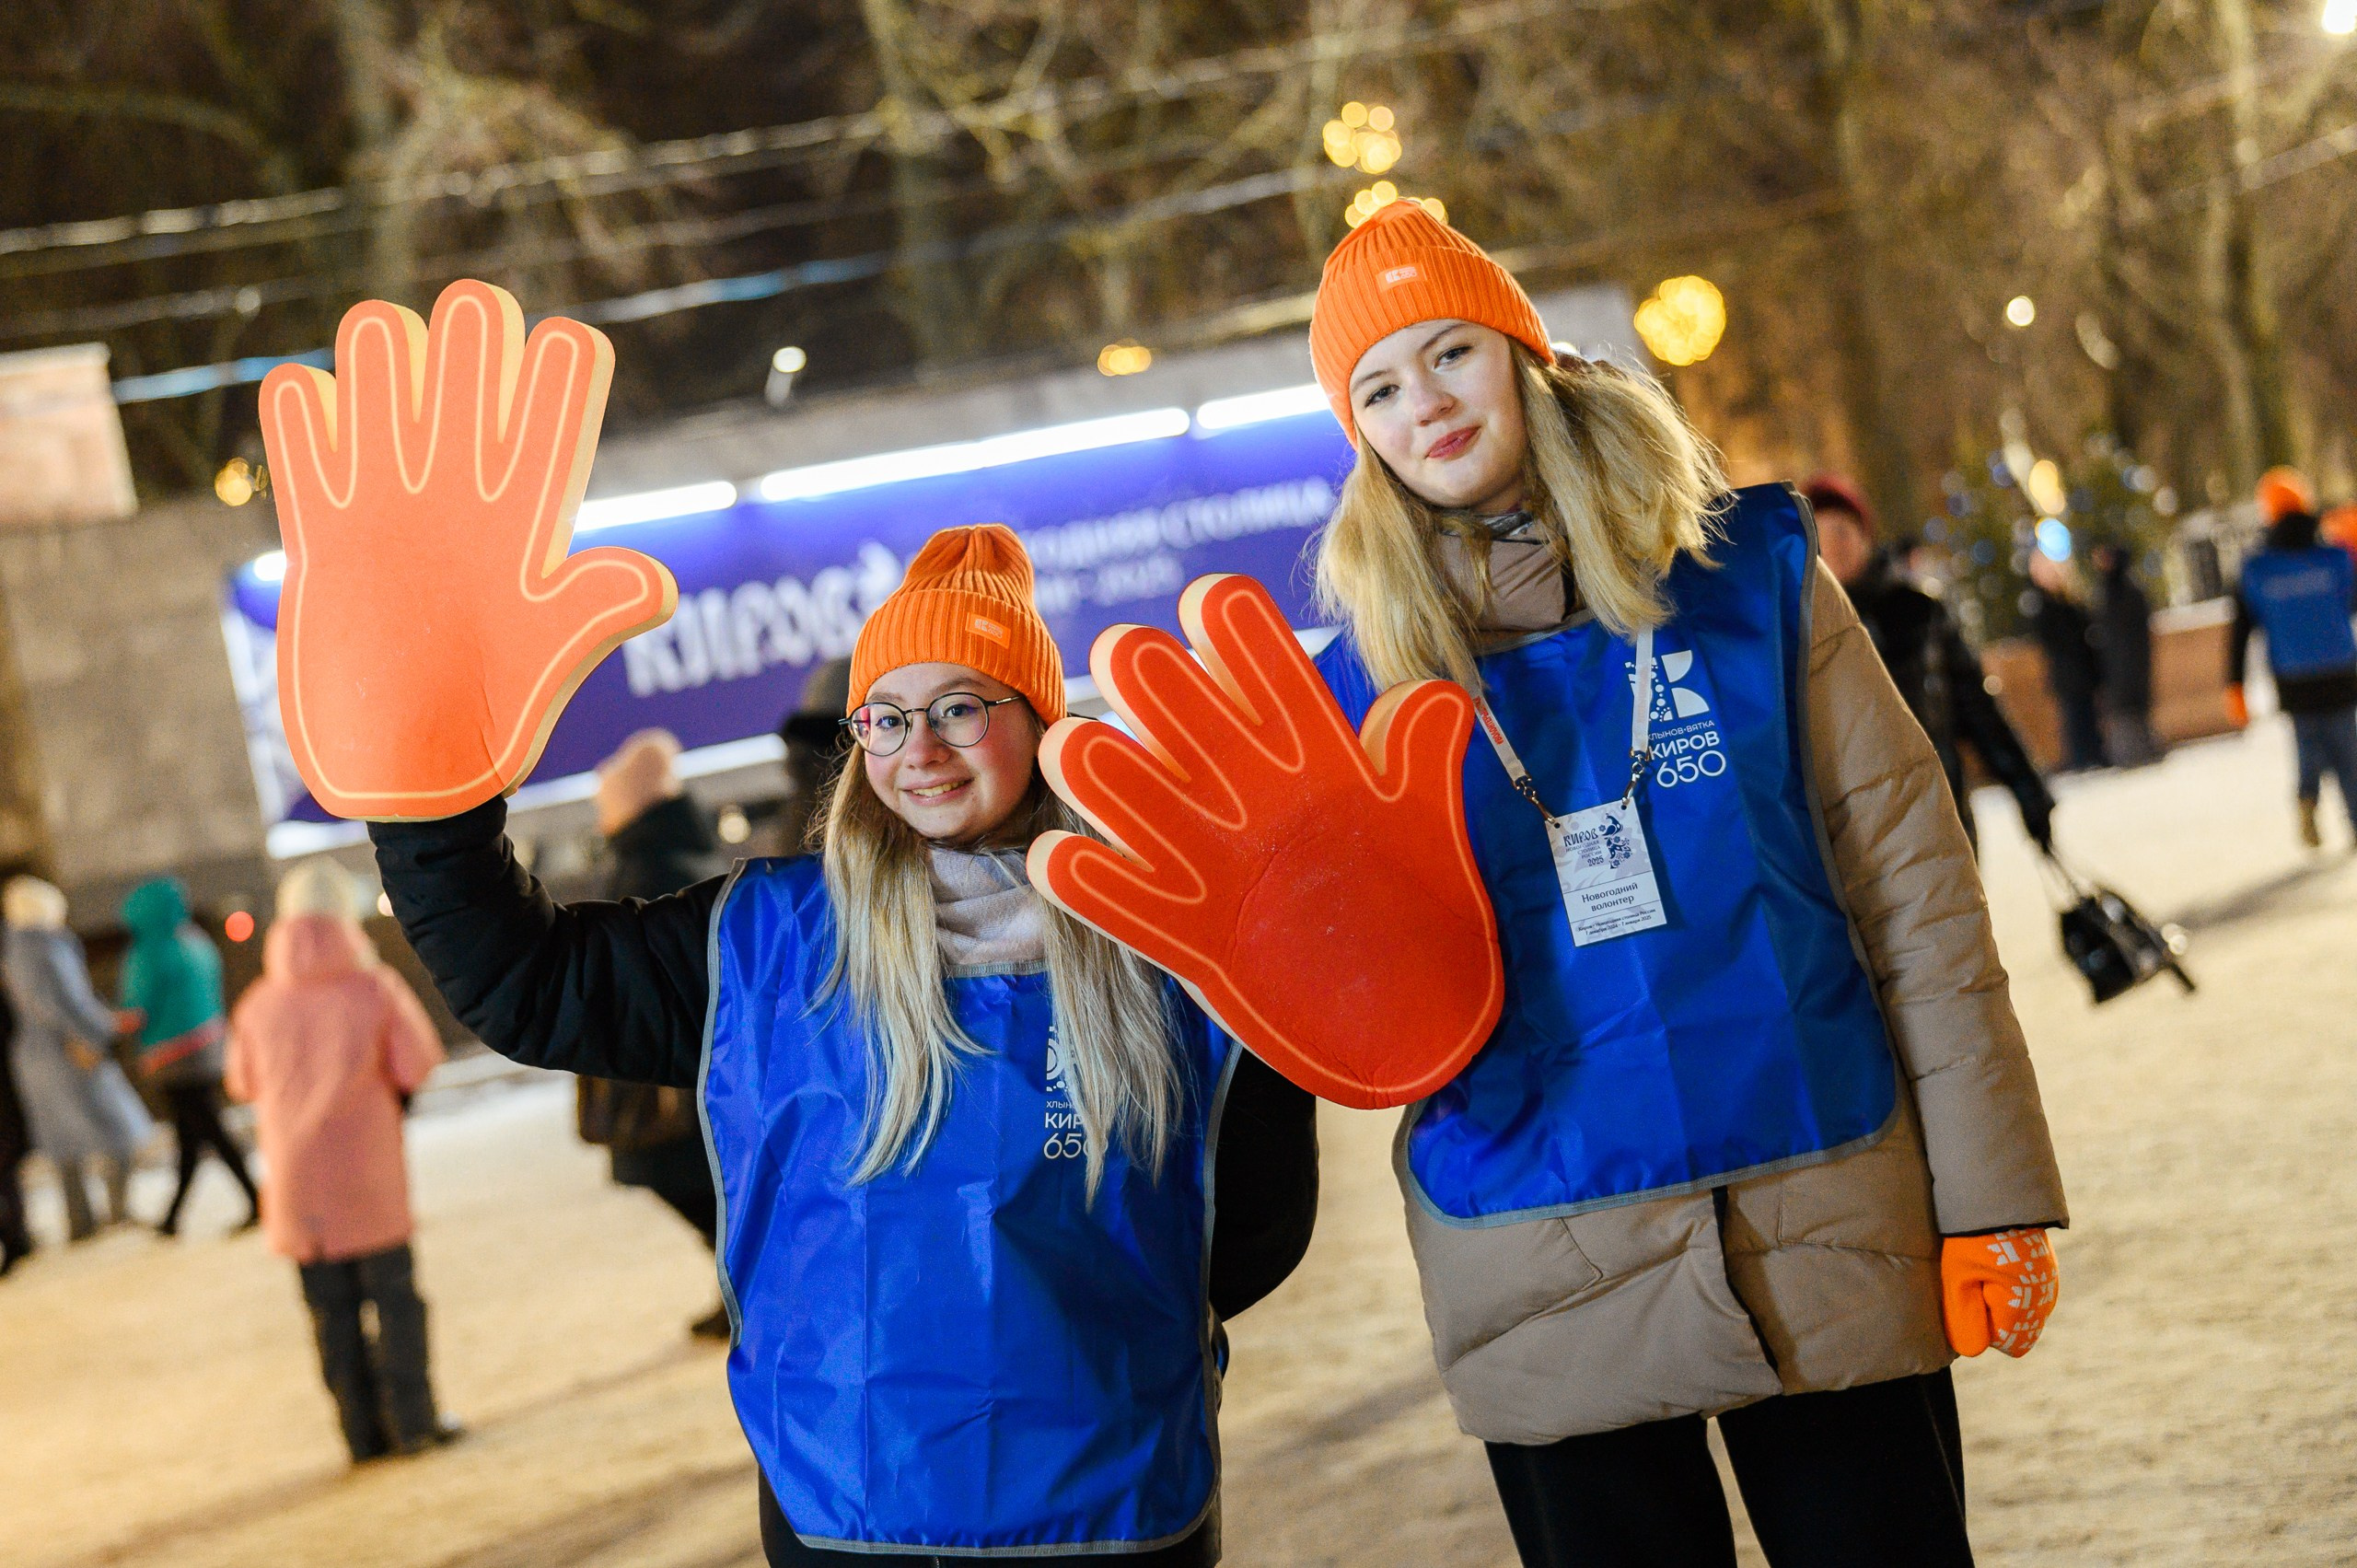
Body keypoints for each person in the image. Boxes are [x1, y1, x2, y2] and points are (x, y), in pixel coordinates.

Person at [1303, 203, 2065, 1568]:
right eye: (1379, 385)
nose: (1424, 404)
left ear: (1527, 358)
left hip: (1820, 1202)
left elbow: (1914, 890)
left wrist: (1992, 1187)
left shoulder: (1752, 579)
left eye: (1450, 354)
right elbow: (1343, 984)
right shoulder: (1356, 681)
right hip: (1538, 1244)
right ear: (1355, 429)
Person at [368, 525, 1318, 1563]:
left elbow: (1253, 1207)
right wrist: (431, 798)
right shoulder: (764, 939)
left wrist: (1101, 1327)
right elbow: (527, 981)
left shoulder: (1163, 929)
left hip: (1115, 1500)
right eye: (889, 717)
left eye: (961, 706)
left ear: (1044, 721)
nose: (920, 748)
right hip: (851, 1513)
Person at [226, 858, 459, 1461]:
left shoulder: (258, 1001)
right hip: (369, 1174)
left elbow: (240, 1080)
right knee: (397, 1298)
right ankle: (415, 1421)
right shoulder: (373, 985)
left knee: (331, 1313)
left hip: (299, 1185)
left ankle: (360, 1435)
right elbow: (418, 1059)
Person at [1805, 474, 2057, 850]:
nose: (1834, 547)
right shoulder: (1804, 628)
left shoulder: (1919, 612)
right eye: (1820, 536)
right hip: (1856, 841)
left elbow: (1976, 705)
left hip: (1941, 819)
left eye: (1841, 531)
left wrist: (2028, 790)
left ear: (1864, 534)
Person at [580, 729, 732, 1340]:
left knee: (692, 1181)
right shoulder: (675, 851)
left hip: (669, 1063)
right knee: (709, 1187)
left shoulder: (649, 864)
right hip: (696, 1057)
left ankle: (748, 1289)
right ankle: (739, 1287)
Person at [2, 876, 152, 1240]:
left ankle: (81, 1223)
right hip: (67, 1053)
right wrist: (99, 1029)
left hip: (35, 1058)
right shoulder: (44, 948)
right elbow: (59, 1004)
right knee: (122, 1130)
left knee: (64, 1145)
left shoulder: (14, 950)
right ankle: (117, 1211)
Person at [119, 877, 260, 1236]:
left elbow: (137, 1007)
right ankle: (173, 1216)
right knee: (192, 1133)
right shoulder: (196, 940)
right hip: (208, 1047)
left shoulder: (150, 950)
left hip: (172, 1058)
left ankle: (258, 1200)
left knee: (208, 1129)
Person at [2228, 467, 2357, 849]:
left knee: (2308, 745)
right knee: (2348, 752)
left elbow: (2240, 630)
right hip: (2339, 669)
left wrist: (2234, 684)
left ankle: (2307, 797)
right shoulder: (2335, 559)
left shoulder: (2257, 569)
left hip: (2293, 675)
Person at [2024, 550, 2109, 772]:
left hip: (2082, 668)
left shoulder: (2069, 598)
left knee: (2088, 713)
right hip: (2067, 671)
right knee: (2074, 716)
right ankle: (2082, 757)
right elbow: (2053, 638)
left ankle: (2094, 753)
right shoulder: (2042, 604)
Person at [2089, 540, 2162, 766]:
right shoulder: (2114, 591)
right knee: (2126, 713)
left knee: (2130, 711)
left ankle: (2136, 754)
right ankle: (2134, 754)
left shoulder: (2123, 592)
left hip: (2125, 663)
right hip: (2120, 663)